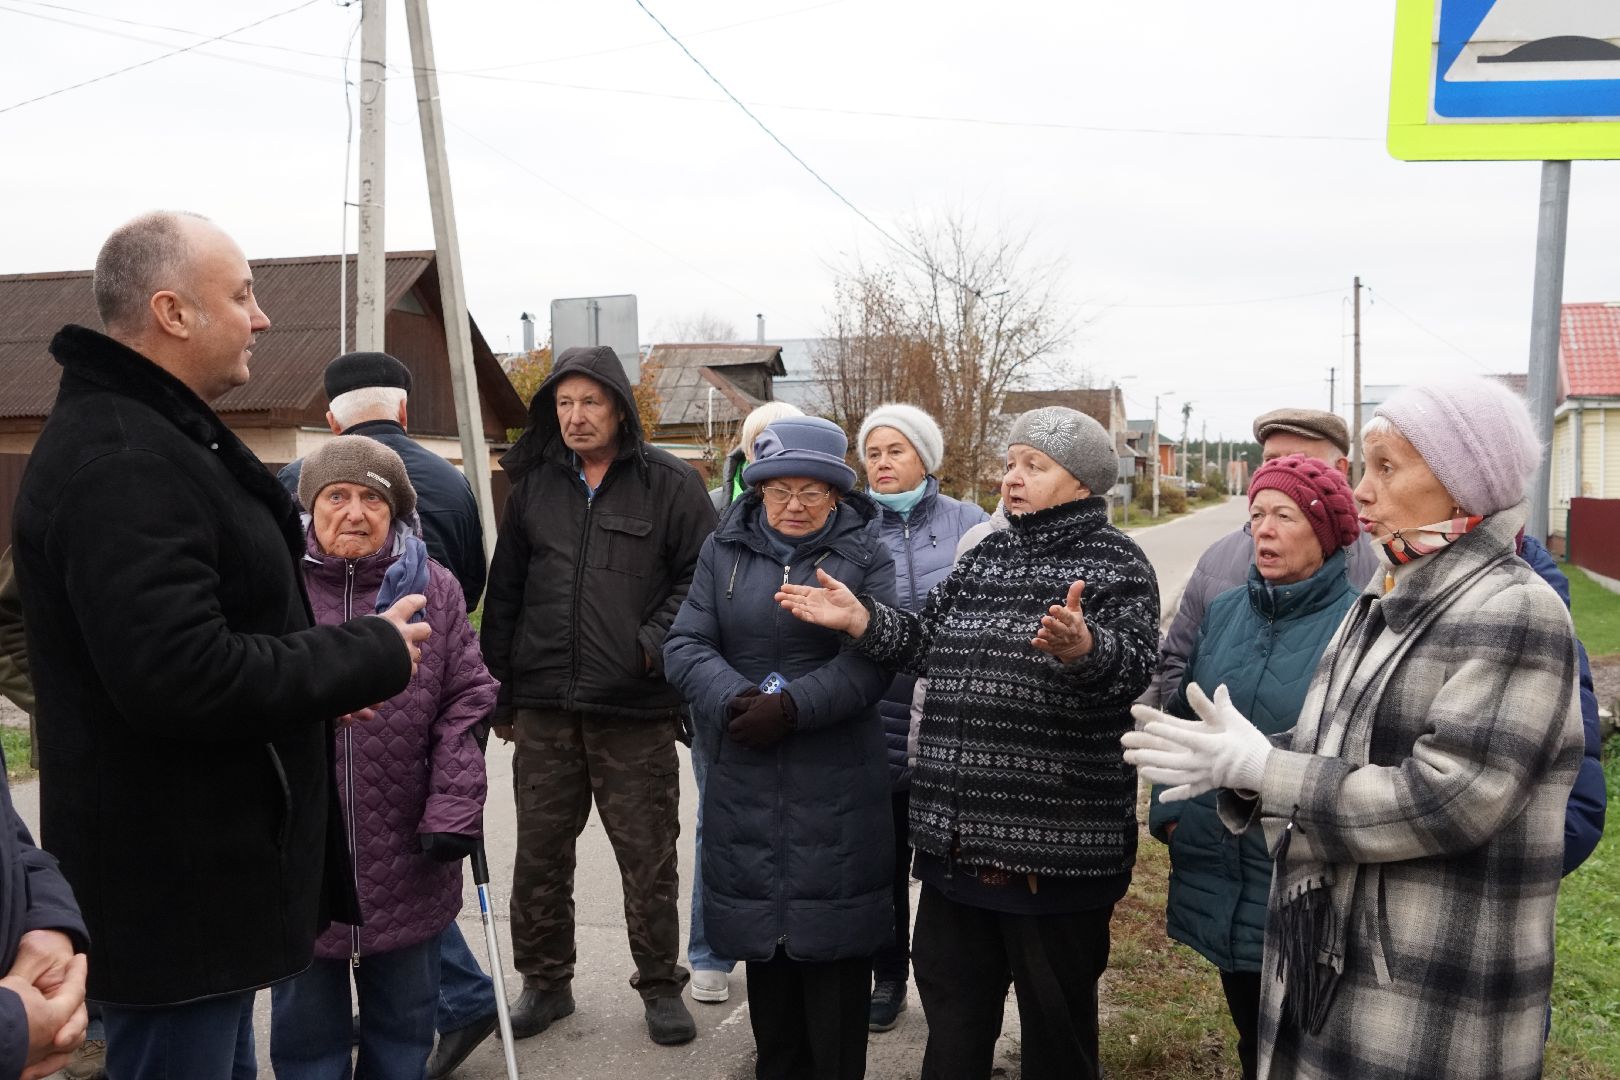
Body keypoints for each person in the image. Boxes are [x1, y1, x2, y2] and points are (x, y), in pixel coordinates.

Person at [11, 211, 430, 1079]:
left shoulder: (155, 438)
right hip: (176, 901)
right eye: (242, 294)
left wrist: (307, 686)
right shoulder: (123, 459)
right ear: (173, 312)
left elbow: (203, 641)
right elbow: (182, 675)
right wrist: (363, 653)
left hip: (206, 893)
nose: (263, 316)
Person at [1125, 377, 1583, 1079]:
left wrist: (1264, 773)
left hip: (1427, 987)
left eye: (1387, 468)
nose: (1362, 491)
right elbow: (1332, 744)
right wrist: (1236, 761)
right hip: (1338, 960)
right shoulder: (1389, 591)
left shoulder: (1512, 607)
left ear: (1462, 484)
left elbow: (1450, 798)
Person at [780, 406, 1160, 1080]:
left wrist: (1085, 648)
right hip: (957, 848)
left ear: (1080, 481)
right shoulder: (984, 552)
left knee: (1057, 1034)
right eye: (1010, 463)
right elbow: (926, 642)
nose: (1013, 478)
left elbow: (1132, 669)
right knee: (953, 1024)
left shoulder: (1116, 561)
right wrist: (863, 620)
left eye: (1033, 466)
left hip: (1053, 854)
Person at [481, 344, 715, 1047]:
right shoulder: (536, 487)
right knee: (540, 857)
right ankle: (545, 985)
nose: (576, 417)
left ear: (619, 407)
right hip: (546, 707)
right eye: (563, 403)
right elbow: (508, 594)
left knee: (648, 859)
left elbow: (700, 582)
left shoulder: (670, 484)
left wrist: (649, 646)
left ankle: (659, 988)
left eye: (590, 402)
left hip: (635, 710)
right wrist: (502, 690)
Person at [277, 350, 499, 1078]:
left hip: (408, 851)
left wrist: (454, 808)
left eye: (373, 500)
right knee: (306, 1042)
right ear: (310, 506)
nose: (354, 512)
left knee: (402, 1038)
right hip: (300, 857)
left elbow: (468, 698)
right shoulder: (275, 591)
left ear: (396, 512)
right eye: (336, 495)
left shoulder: (432, 586)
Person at [666, 415, 898, 1079]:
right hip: (748, 766)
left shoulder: (864, 555)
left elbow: (873, 662)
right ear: (756, 487)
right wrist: (737, 700)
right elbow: (684, 643)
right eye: (778, 490)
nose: (793, 505)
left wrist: (793, 707)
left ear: (835, 494)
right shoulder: (724, 549)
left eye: (811, 491)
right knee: (768, 958)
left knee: (833, 961)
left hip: (837, 780)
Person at [1147, 455, 1361, 1080]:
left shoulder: (1360, 622)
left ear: (1324, 532)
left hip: (1302, 867)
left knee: (1309, 1041)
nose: (1263, 531)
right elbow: (1186, 715)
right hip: (1218, 851)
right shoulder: (1225, 611)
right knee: (1251, 1034)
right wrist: (1171, 814)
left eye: (1284, 516)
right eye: (1256, 516)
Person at [854, 403, 987, 1032]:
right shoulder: (849, 523)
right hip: (871, 720)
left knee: (942, 865)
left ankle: (952, 985)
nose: (882, 462)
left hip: (943, 725)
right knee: (877, 864)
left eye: (895, 450)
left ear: (924, 459)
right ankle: (886, 978)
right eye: (873, 453)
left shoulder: (968, 522)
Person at [688, 399, 804, 1006]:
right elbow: (690, 619)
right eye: (761, 443)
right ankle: (709, 950)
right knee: (720, 821)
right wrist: (726, 694)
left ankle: (787, 944)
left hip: (805, 705)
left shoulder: (820, 518)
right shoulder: (714, 512)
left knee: (795, 823)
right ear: (746, 449)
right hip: (724, 703)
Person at [1152, 408, 1378, 707]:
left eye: (1300, 461)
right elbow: (1178, 661)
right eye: (1272, 460)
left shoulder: (1382, 562)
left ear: (1340, 468)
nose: (1284, 470)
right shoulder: (1217, 561)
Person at [708, 400, 803, 513]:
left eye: (789, 445)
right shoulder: (713, 504)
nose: (776, 456)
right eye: (763, 445)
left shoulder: (822, 498)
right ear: (747, 452)